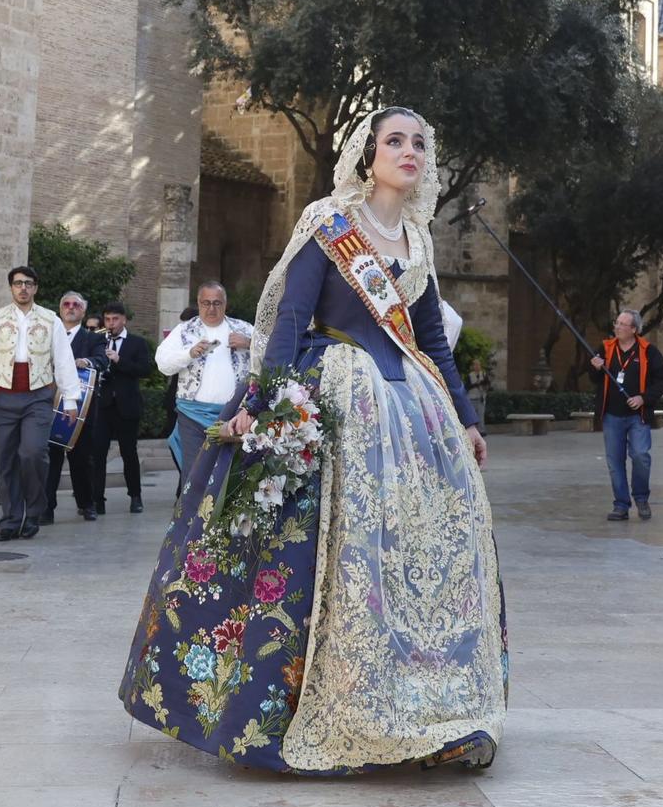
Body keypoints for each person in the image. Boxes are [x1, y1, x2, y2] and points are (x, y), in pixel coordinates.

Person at [121, 106, 503, 773]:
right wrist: (260, 404)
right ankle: (306, 709)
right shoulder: (330, 223)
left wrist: (465, 415)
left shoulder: (418, 238)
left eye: (419, 141)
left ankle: (423, 707)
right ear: (367, 155)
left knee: (418, 557)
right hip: (335, 402)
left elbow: (434, 341)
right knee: (317, 559)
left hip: (414, 416)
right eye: (395, 140)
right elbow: (292, 320)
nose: (409, 150)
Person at [0, 266, 80, 541]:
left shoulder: (51, 320)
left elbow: (62, 360)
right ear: (11, 288)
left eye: (28, 283)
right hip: (3, 396)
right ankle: (11, 519)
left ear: (35, 288)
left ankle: (35, 510)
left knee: (33, 453)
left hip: (37, 395)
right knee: (5, 460)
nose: (23, 288)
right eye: (17, 284)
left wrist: (71, 398)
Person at [154, 281, 255, 487]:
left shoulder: (243, 328)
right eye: (206, 303)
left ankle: (226, 520)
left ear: (225, 304)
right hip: (192, 415)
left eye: (217, 303)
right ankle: (192, 520)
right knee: (194, 475)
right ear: (198, 304)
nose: (211, 308)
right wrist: (188, 353)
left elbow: (271, 356)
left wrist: (249, 344)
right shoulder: (184, 330)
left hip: (234, 416)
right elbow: (162, 364)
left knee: (232, 475)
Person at [587, 309, 663, 522]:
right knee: (615, 461)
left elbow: (661, 381)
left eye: (623, 324)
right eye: (617, 323)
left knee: (641, 456)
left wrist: (643, 398)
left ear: (634, 329)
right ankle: (621, 505)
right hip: (612, 415)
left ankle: (641, 497)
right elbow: (594, 379)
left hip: (637, 416)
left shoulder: (649, 352)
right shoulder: (605, 348)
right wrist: (595, 368)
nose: (618, 327)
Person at [44, 290, 107, 522]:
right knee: (50, 459)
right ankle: (46, 507)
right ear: (60, 309)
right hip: (49, 404)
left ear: (83, 311)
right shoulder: (49, 334)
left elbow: (102, 360)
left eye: (76, 305)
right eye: (66, 304)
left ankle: (86, 503)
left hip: (82, 408)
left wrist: (86, 361)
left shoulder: (93, 338)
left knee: (81, 460)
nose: (70, 307)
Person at [92, 302, 154, 514]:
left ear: (124, 320)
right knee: (98, 454)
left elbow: (145, 369)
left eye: (115, 319)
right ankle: (97, 499)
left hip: (127, 406)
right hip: (103, 405)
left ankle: (135, 497)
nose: (111, 324)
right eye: (107, 320)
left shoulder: (137, 343)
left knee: (129, 453)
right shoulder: (99, 341)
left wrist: (119, 360)